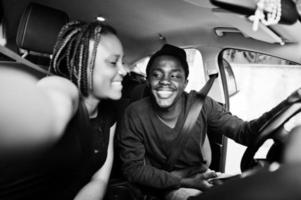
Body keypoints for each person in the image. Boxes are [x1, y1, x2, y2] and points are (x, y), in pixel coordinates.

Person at [117, 44, 301, 200]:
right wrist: (184, 182)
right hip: (163, 186)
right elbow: (133, 170)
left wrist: (288, 102)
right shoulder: (134, 113)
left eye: (174, 76)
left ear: (185, 82)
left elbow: (245, 133)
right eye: (157, 75)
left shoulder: (201, 105)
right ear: (148, 80)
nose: (165, 81)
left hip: (204, 178)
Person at [0, 20, 127, 200]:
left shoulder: (109, 115)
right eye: (113, 62)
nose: (125, 70)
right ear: (78, 64)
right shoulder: (63, 89)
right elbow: (50, 105)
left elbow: (99, 179)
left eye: (124, 61)